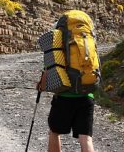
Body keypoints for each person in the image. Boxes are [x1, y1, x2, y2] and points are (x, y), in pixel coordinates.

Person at [37, 15, 96, 152]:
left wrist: (41, 85)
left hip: (64, 97)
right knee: (85, 139)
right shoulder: (86, 41)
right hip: (87, 95)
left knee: (54, 132)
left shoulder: (57, 47)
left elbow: (47, 73)